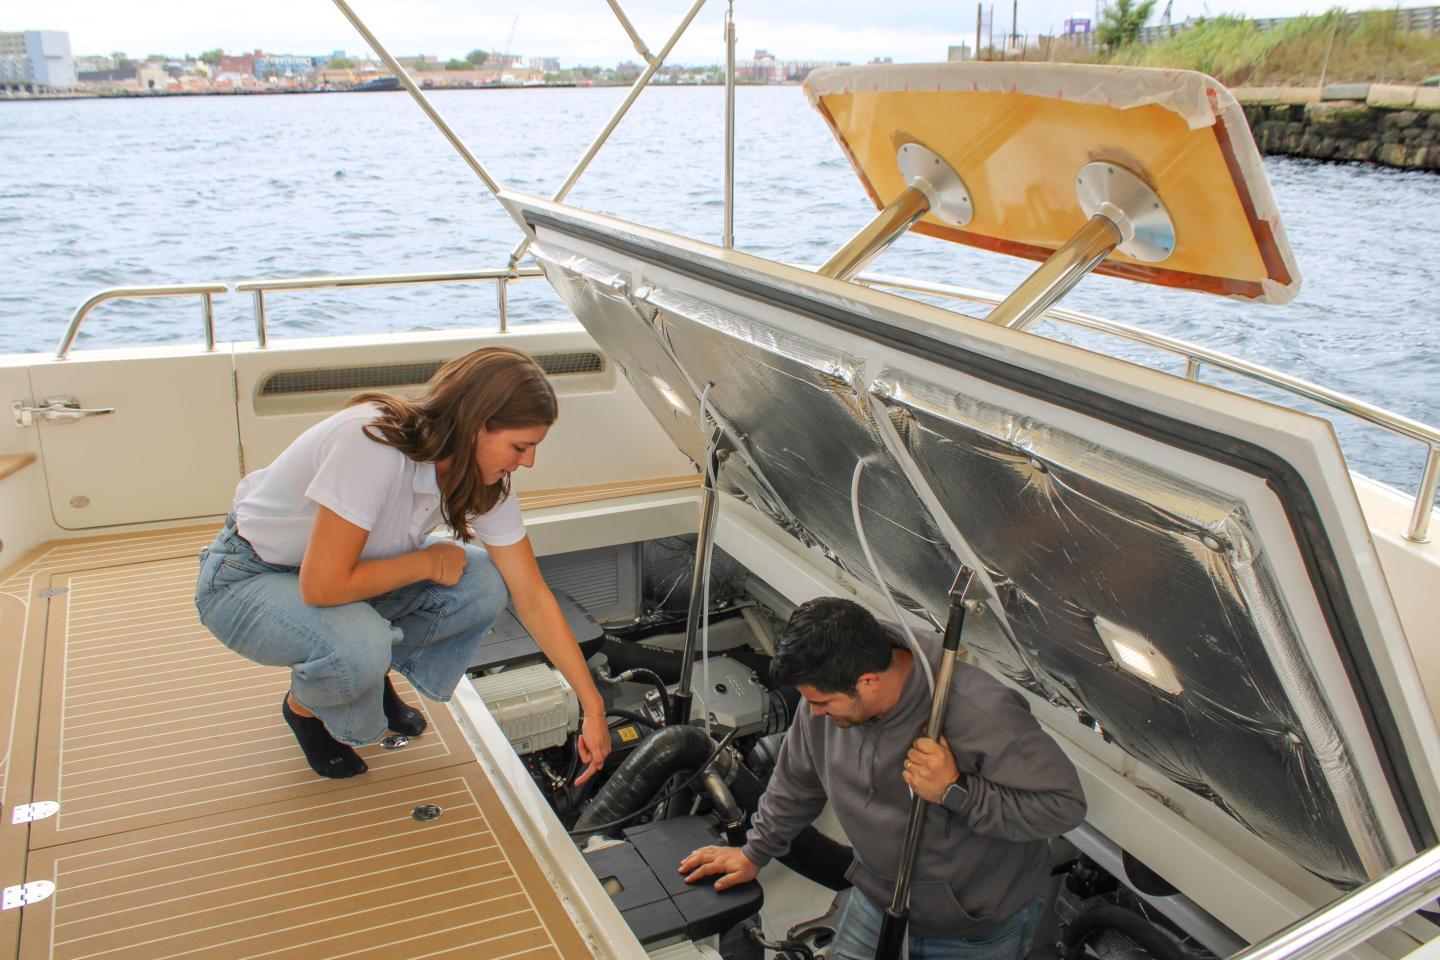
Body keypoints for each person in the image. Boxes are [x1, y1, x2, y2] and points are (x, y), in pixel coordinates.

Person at [194, 346, 610, 782]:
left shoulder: (484, 478)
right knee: (358, 646)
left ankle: (373, 673)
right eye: (520, 446)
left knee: (485, 582)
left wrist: (593, 706)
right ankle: (305, 709)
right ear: (474, 427)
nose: (528, 461)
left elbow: (531, 595)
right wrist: (427, 563)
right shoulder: (371, 443)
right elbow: (322, 587)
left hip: (338, 578)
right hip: (248, 576)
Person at [679, 596, 1085, 960]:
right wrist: (754, 853)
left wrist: (955, 792)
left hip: (974, 929)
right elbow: (795, 783)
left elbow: (1063, 806)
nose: (813, 713)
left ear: (868, 682)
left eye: (823, 703)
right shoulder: (825, 698)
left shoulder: (978, 712)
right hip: (877, 902)